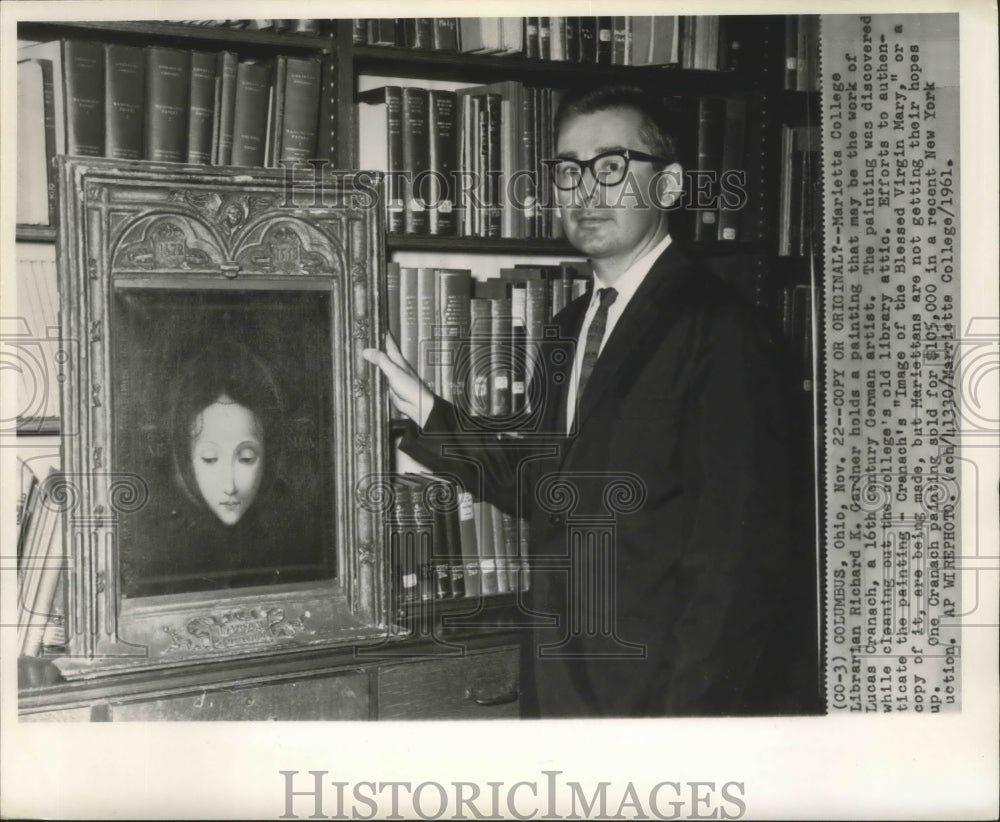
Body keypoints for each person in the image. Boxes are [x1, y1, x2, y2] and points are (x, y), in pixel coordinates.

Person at [364, 84, 820, 717]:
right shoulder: (570, 325)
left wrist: (683, 734)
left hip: (662, 705)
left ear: (667, 186)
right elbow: (548, 487)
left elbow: (739, 570)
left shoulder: (724, 332)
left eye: (611, 167)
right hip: (566, 689)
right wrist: (426, 409)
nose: (586, 191)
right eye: (568, 172)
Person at [123, 341, 324, 597]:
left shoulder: (300, 546)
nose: (229, 486)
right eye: (209, 458)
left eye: (246, 458)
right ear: (184, 458)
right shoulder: (156, 554)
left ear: (270, 456)